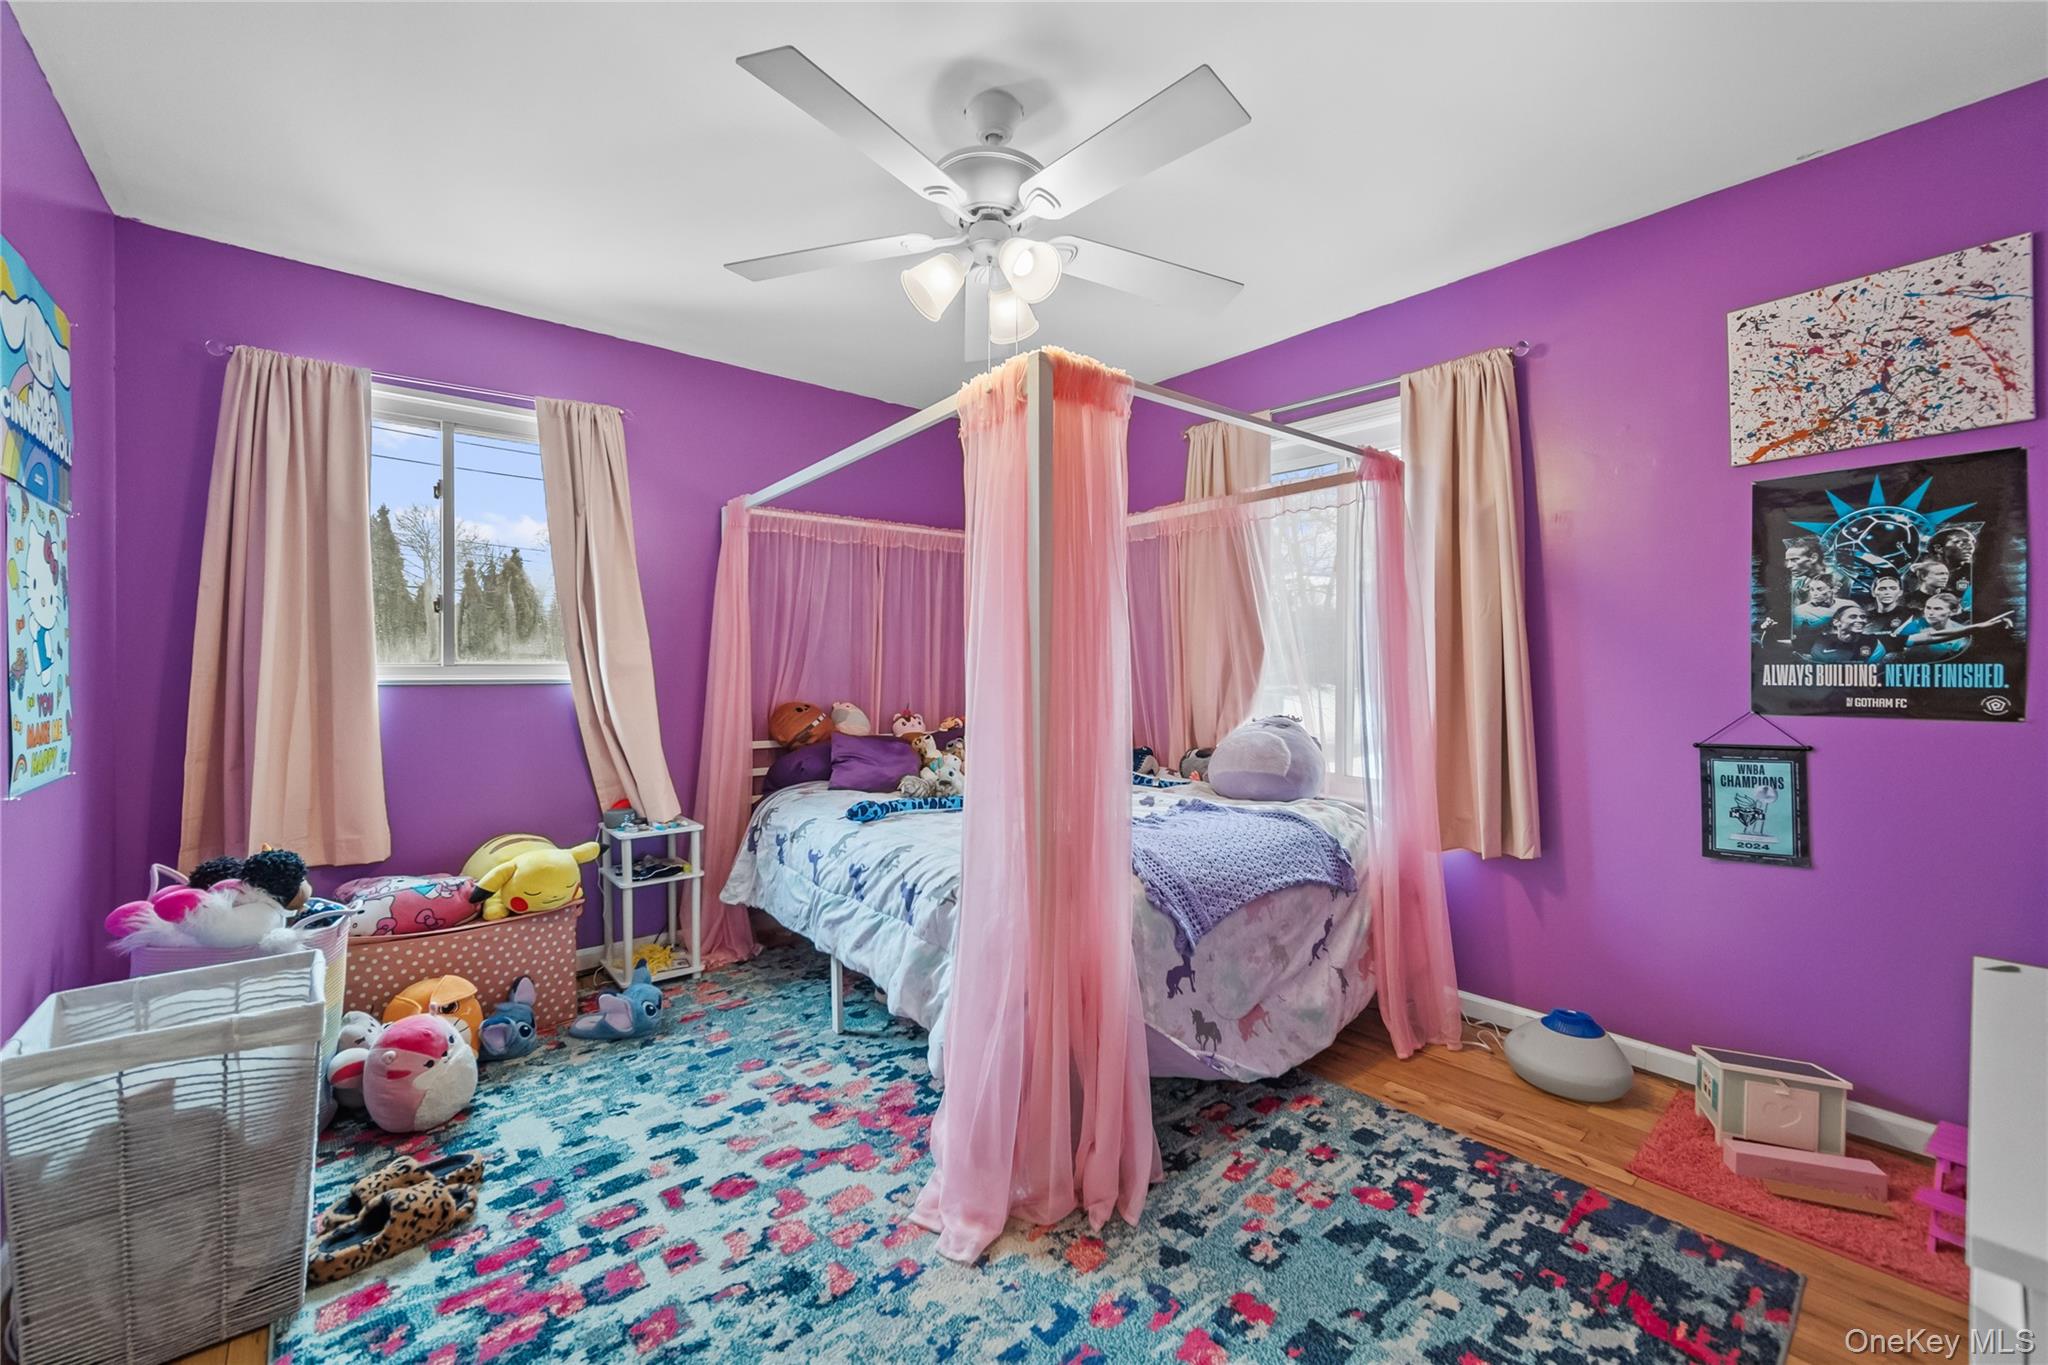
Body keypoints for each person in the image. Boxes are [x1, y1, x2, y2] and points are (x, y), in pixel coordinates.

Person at [1896, 593, 2015, 661]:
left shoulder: (1964, 636)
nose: (1930, 613)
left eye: (1938, 609)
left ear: (1953, 612)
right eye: (1928, 608)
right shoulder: (1912, 627)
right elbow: (1931, 637)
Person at [1807, 602, 1887, 664]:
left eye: (1863, 617)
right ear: (1836, 622)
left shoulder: (1873, 643)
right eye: (1853, 617)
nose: (1860, 620)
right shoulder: (1820, 641)